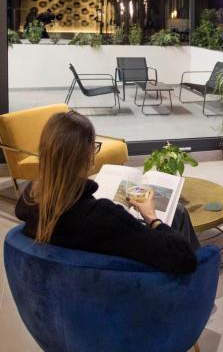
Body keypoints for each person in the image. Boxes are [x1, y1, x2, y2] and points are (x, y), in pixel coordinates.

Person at [15, 111, 199, 274]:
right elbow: (184, 257)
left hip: (65, 288)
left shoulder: (31, 200)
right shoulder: (104, 216)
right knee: (179, 213)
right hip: (137, 290)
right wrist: (151, 218)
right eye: (94, 146)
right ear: (87, 155)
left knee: (178, 213)